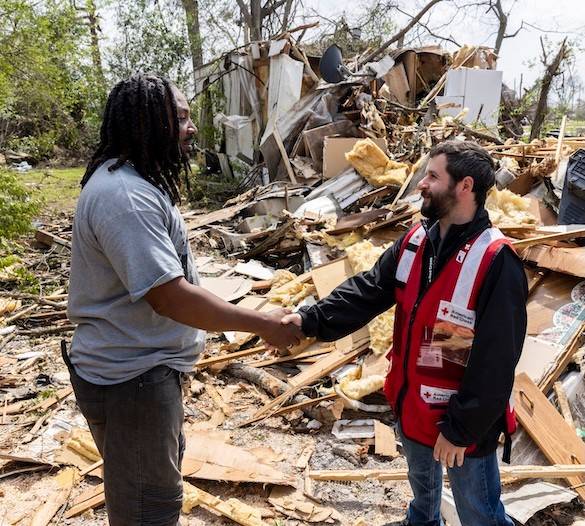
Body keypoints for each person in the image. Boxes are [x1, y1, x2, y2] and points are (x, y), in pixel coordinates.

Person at [65, 73, 301, 526]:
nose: (192, 128)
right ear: (147, 121)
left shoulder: (133, 183)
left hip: (140, 373)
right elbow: (170, 297)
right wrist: (265, 324)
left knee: (151, 495)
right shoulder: (125, 197)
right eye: (181, 118)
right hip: (132, 380)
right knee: (147, 510)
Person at [283, 141, 528, 526]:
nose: (421, 185)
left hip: (462, 422)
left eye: (432, 176)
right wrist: (309, 320)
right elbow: (367, 292)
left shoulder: (496, 260)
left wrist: (460, 430)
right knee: (422, 495)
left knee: (478, 511)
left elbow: (496, 362)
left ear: (464, 187)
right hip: (413, 404)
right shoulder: (416, 242)